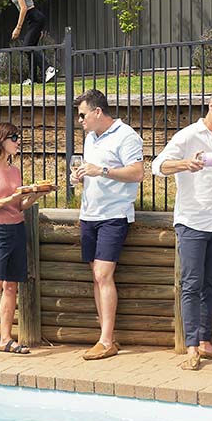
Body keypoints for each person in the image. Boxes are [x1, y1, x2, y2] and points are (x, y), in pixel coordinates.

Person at [152, 85, 212, 371]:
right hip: (192, 222)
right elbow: (158, 166)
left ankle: (205, 342)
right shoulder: (188, 136)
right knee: (191, 285)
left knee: (210, 284)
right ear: (211, 105)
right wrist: (185, 164)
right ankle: (192, 346)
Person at [70, 90, 145, 361]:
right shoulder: (91, 137)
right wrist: (80, 176)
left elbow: (138, 173)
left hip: (113, 214)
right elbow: (91, 170)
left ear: (97, 112)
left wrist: (100, 171)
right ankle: (107, 337)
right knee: (96, 276)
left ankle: (105, 340)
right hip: (89, 214)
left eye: (82, 114)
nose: (79, 120)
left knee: (103, 275)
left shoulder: (127, 136)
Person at [0, 122, 52, 360]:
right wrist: (12, 197)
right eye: (14, 137)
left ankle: (6, 339)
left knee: (11, 287)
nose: (18, 142)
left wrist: (35, 195)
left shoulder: (14, 170)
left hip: (17, 229)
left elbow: (19, 205)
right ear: (0, 140)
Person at [9, 0, 55, 86]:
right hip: (35, 19)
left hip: (34, 18)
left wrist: (18, 28)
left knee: (27, 47)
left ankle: (48, 68)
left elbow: (24, 8)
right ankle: (33, 79)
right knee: (30, 49)